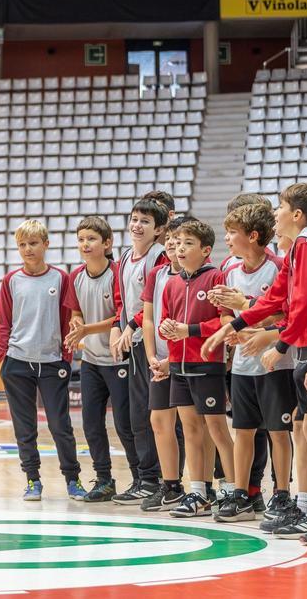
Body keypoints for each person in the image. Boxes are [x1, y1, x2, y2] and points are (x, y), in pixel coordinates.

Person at [205, 182, 307, 542]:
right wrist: (232, 326)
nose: (275, 214)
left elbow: (303, 305)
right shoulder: (303, 246)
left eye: (280, 207)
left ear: (297, 214)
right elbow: (274, 298)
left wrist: (281, 344)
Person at [210, 203, 296, 524]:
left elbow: (282, 313)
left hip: (275, 363)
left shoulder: (277, 267)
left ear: (254, 235)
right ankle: (242, 492)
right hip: (243, 364)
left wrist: (243, 307)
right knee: (243, 430)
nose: (227, 238)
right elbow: (225, 315)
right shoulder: (230, 270)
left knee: (278, 431)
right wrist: (229, 328)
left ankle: (283, 493)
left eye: (232, 232)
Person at [0, 220, 83, 501]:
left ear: (46, 244)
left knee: (60, 425)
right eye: (22, 245)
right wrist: (3, 358)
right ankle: (32, 480)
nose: (27, 249)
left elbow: (68, 318)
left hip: (52, 362)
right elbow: (3, 322)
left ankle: (73, 479)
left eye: (33, 243)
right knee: (25, 427)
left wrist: (65, 357)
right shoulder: (11, 280)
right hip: (17, 362)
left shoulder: (61, 278)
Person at [157, 219, 235, 518]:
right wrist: (166, 328)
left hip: (208, 365)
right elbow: (166, 323)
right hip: (179, 367)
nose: (180, 248)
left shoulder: (216, 277)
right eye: (177, 243)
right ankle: (199, 493)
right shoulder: (172, 283)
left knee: (216, 429)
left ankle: (231, 489)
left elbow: (225, 321)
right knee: (190, 430)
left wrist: (190, 330)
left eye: (188, 243)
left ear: (205, 250)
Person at [64, 215, 134, 503]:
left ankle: (142, 477)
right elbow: (76, 311)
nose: (85, 244)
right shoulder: (75, 276)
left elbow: (121, 316)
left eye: (91, 239)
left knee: (125, 424)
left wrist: (86, 328)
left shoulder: (118, 273)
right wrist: (76, 325)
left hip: (119, 360)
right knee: (91, 423)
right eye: (81, 239)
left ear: (107, 243)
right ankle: (104, 479)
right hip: (91, 360)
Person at [109, 198, 169, 505]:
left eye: (145, 221)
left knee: (155, 416)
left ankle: (162, 480)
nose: (137, 225)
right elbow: (121, 301)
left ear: (159, 229)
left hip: (154, 346)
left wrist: (131, 325)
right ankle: (145, 478)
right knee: (135, 416)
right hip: (132, 345)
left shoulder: (160, 259)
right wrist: (118, 327)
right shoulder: (123, 260)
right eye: (134, 219)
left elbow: (152, 304)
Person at [140, 216, 190, 512]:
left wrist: (172, 359)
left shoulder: (196, 274)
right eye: (169, 237)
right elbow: (148, 318)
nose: (172, 243)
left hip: (186, 359)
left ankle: (209, 485)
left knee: (197, 426)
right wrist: (152, 356)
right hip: (159, 359)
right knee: (159, 421)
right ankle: (171, 485)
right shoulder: (157, 274)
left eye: (179, 238)